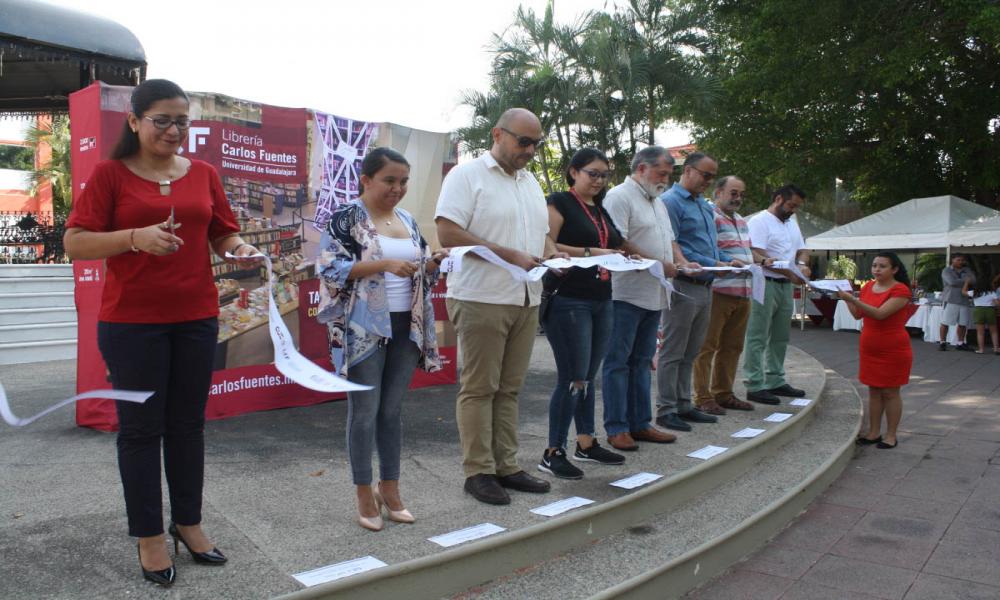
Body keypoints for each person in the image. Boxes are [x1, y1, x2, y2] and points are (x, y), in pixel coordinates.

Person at [63, 79, 260, 586]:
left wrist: (240, 251)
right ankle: (150, 536)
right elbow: (76, 243)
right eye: (162, 120)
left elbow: (222, 231)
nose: (174, 131)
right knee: (140, 431)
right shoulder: (111, 175)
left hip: (195, 318)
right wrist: (134, 238)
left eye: (181, 121)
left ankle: (188, 522)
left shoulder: (205, 174)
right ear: (135, 122)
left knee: (188, 426)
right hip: (131, 325)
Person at [435, 108, 564, 505]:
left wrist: (555, 257)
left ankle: (506, 466)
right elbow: (448, 232)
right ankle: (478, 471)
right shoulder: (466, 175)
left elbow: (542, 237)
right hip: (481, 297)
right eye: (523, 141)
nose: (529, 150)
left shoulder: (529, 183)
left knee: (509, 389)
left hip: (525, 296)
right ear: (497, 134)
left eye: (536, 144)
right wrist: (508, 254)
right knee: (479, 388)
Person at [317, 147, 447, 531]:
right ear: (366, 179)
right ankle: (362, 491)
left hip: (409, 324)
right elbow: (328, 267)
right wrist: (383, 264)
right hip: (363, 328)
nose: (398, 188)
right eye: (390, 180)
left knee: (391, 411)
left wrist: (432, 264)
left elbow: (420, 267)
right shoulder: (345, 218)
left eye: (403, 181)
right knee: (364, 413)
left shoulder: (407, 219)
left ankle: (389, 488)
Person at [537, 148, 627, 480]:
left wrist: (624, 255)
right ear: (573, 172)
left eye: (604, 175)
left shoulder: (600, 211)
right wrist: (594, 251)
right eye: (593, 173)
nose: (599, 181)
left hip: (602, 297)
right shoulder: (559, 202)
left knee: (588, 377)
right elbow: (547, 242)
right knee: (572, 377)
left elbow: (615, 244)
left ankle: (586, 442)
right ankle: (552, 451)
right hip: (569, 299)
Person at [602, 146, 685, 451]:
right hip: (625, 294)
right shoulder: (619, 197)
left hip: (655, 294)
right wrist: (657, 262)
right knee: (618, 362)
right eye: (661, 173)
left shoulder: (658, 202)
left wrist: (680, 261)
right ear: (640, 169)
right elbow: (616, 242)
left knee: (641, 362)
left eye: (668, 174)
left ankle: (640, 423)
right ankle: (617, 427)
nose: (665, 179)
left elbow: (670, 240)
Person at [656, 152, 746, 432]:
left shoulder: (705, 207)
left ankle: (684, 404)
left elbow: (709, 245)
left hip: (707, 284)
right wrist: (715, 263)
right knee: (673, 351)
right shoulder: (670, 202)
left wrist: (725, 260)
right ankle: (666, 408)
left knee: (691, 350)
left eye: (711, 175)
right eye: (705, 175)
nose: (708, 181)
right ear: (688, 170)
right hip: (684, 283)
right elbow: (674, 244)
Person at [691, 176, 757, 415]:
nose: (738, 198)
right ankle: (702, 396)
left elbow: (746, 251)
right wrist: (730, 261)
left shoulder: (741, 220)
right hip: (719, 290)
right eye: (733, 193)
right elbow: (707, 249)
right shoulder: (709, 215)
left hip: (743, 291)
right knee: (707, 346)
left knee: (733, 346)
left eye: (741, 194)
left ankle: (724, 393)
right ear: (718, 192)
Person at [743, 185, 811, 405]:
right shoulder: (759, 221)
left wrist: (802, 265)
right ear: (779, 199)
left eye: (797, 207)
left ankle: (775, 379)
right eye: (791, 205)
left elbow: (802, 249)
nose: (793, 210)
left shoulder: (792, 222)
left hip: (785, 284)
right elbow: (757, 253)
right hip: (765, 281)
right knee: (758, 334)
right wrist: (793, 273)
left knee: (781, 335)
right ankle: (754, 383)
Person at [838, 252, 913, 449]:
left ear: (894, 269)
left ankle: (891, 435)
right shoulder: (869, 286)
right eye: (874, 266)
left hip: (893, 348)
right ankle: (873, 433)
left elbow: (880, 314)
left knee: (890, 392)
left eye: (882, 266)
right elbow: (857, 315)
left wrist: (852, 299)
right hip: (869, 346)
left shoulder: (901, 290)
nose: (877, 269)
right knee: (874, 390)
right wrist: (846, 297)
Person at [939, 254, 976, 351]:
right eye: (958, 260)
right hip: (951, 299)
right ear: (952, 260)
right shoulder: (946, 270)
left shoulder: (967, 270)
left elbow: (974, 280)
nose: (961, 262)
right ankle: (942, 342)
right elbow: (951, 282)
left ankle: (960, 343)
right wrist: (966, 281)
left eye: (962, 260)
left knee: (963, 323)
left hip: (964, 300)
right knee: (945, 322)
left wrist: (963, 281)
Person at [972, 273, 1000, 355]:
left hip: (978, 310)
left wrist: (966, 283)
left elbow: (963, 292)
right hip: (990, 310)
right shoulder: (991, 293)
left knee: (980, 332)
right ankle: (996, 349)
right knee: (994, 332)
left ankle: (981, 349)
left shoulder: (974, 293)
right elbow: (998, 303)